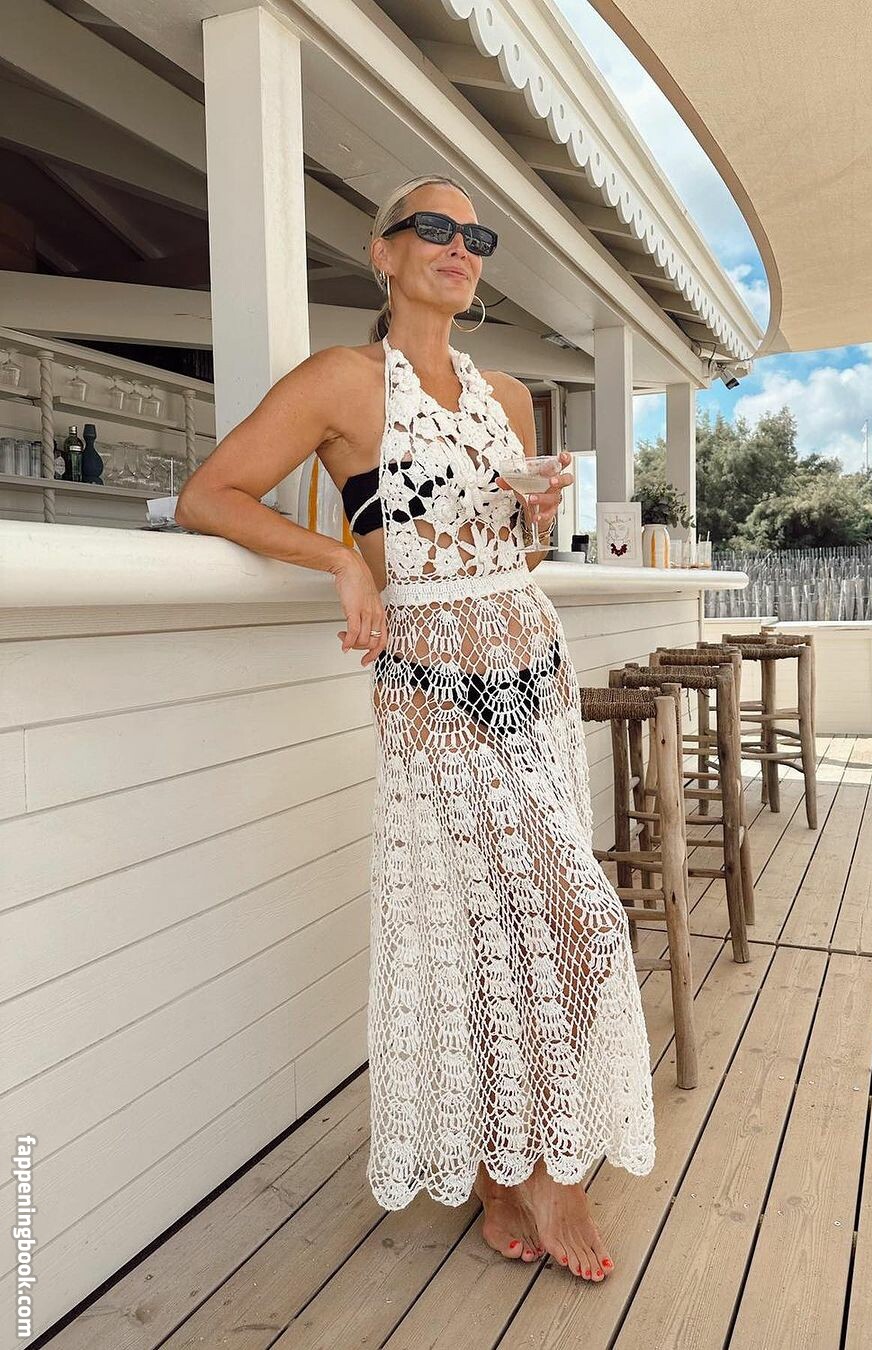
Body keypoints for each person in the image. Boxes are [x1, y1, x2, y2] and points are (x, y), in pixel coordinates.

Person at [175, 173, 655, 1283]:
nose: (458, 247)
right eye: (432, 228)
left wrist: (535, 517)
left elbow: (513, 554)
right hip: (433, 679)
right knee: (544, 920)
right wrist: (341, 559)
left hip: (532, 669)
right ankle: (544, 1172)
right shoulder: (340, 382)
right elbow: (212, 496)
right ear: (382, 252)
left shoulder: (511, 395)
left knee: (535, 922)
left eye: (475, 236)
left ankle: (509, 1162)